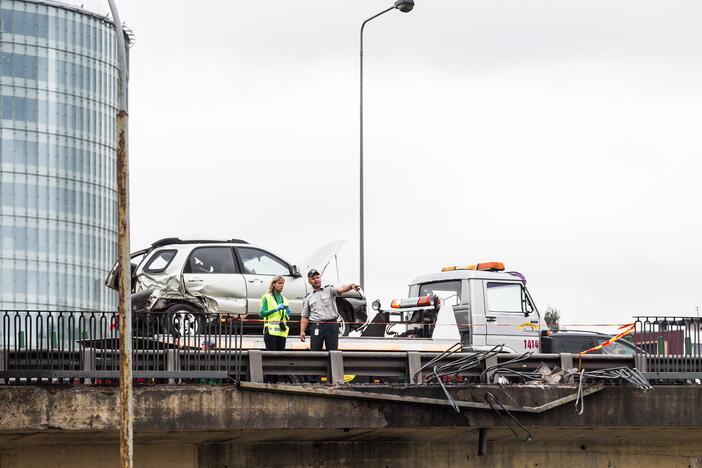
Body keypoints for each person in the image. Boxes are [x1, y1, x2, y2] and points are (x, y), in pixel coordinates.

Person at [300, 269, 360, 351]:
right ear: (309, 281)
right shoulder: (308, 298)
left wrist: (351, 286)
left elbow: (340, 289)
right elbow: (305, 316)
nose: (316, 280)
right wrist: (302, 331)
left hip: (331, 325)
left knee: (333, 352)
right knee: (315, 352)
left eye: (317, 277)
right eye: (313, 278)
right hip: (316, 327)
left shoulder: (329, 290)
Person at [259, 276, 291, 352]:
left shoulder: (285, 299)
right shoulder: (267, 297)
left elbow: (285, 317)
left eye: (283, 283)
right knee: (271, 357)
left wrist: (288, 313)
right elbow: (261, 314)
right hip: (270, 332)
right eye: (279, 283)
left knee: (280, 358)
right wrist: (275, 309)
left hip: (282, 332)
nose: (282, 285)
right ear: (273, 284)